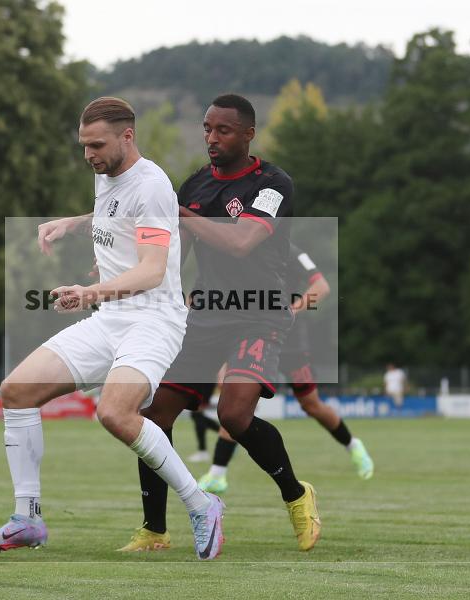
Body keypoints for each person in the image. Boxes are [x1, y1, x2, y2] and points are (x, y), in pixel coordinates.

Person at [0, 97, 224, 560]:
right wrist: (72, 224)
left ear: (127, 136)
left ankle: (203, 505)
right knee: (16, 391)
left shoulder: (154, 186)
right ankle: (28, 519)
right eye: (83, 146)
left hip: (153, 319)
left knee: (115, 413)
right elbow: (115, 217)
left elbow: (153, 270)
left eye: (96, 145)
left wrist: (91, 292)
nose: (88, 155)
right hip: (110, 319)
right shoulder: (105, 173)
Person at [118, 94, 320, 554]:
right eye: (207, 128)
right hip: (206, 314)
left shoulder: (273, 183)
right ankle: (155, 531)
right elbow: (173, 258)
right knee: (154, 415)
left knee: (233, 415)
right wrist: (123, 278)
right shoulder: (192, 186)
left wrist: (181, 213)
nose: (211, 137)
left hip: (261, 312)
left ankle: (296, 495)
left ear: (248, 134)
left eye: (223, 130)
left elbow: (242, 241)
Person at [198, 243, 374, 495]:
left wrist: (290, 311)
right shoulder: (239, 246)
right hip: (252, 335)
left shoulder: (290, 250)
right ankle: (217, 474)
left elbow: (321, 287)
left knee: (310, 405)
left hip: (289, 341)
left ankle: (353, 445)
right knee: (236, 403)